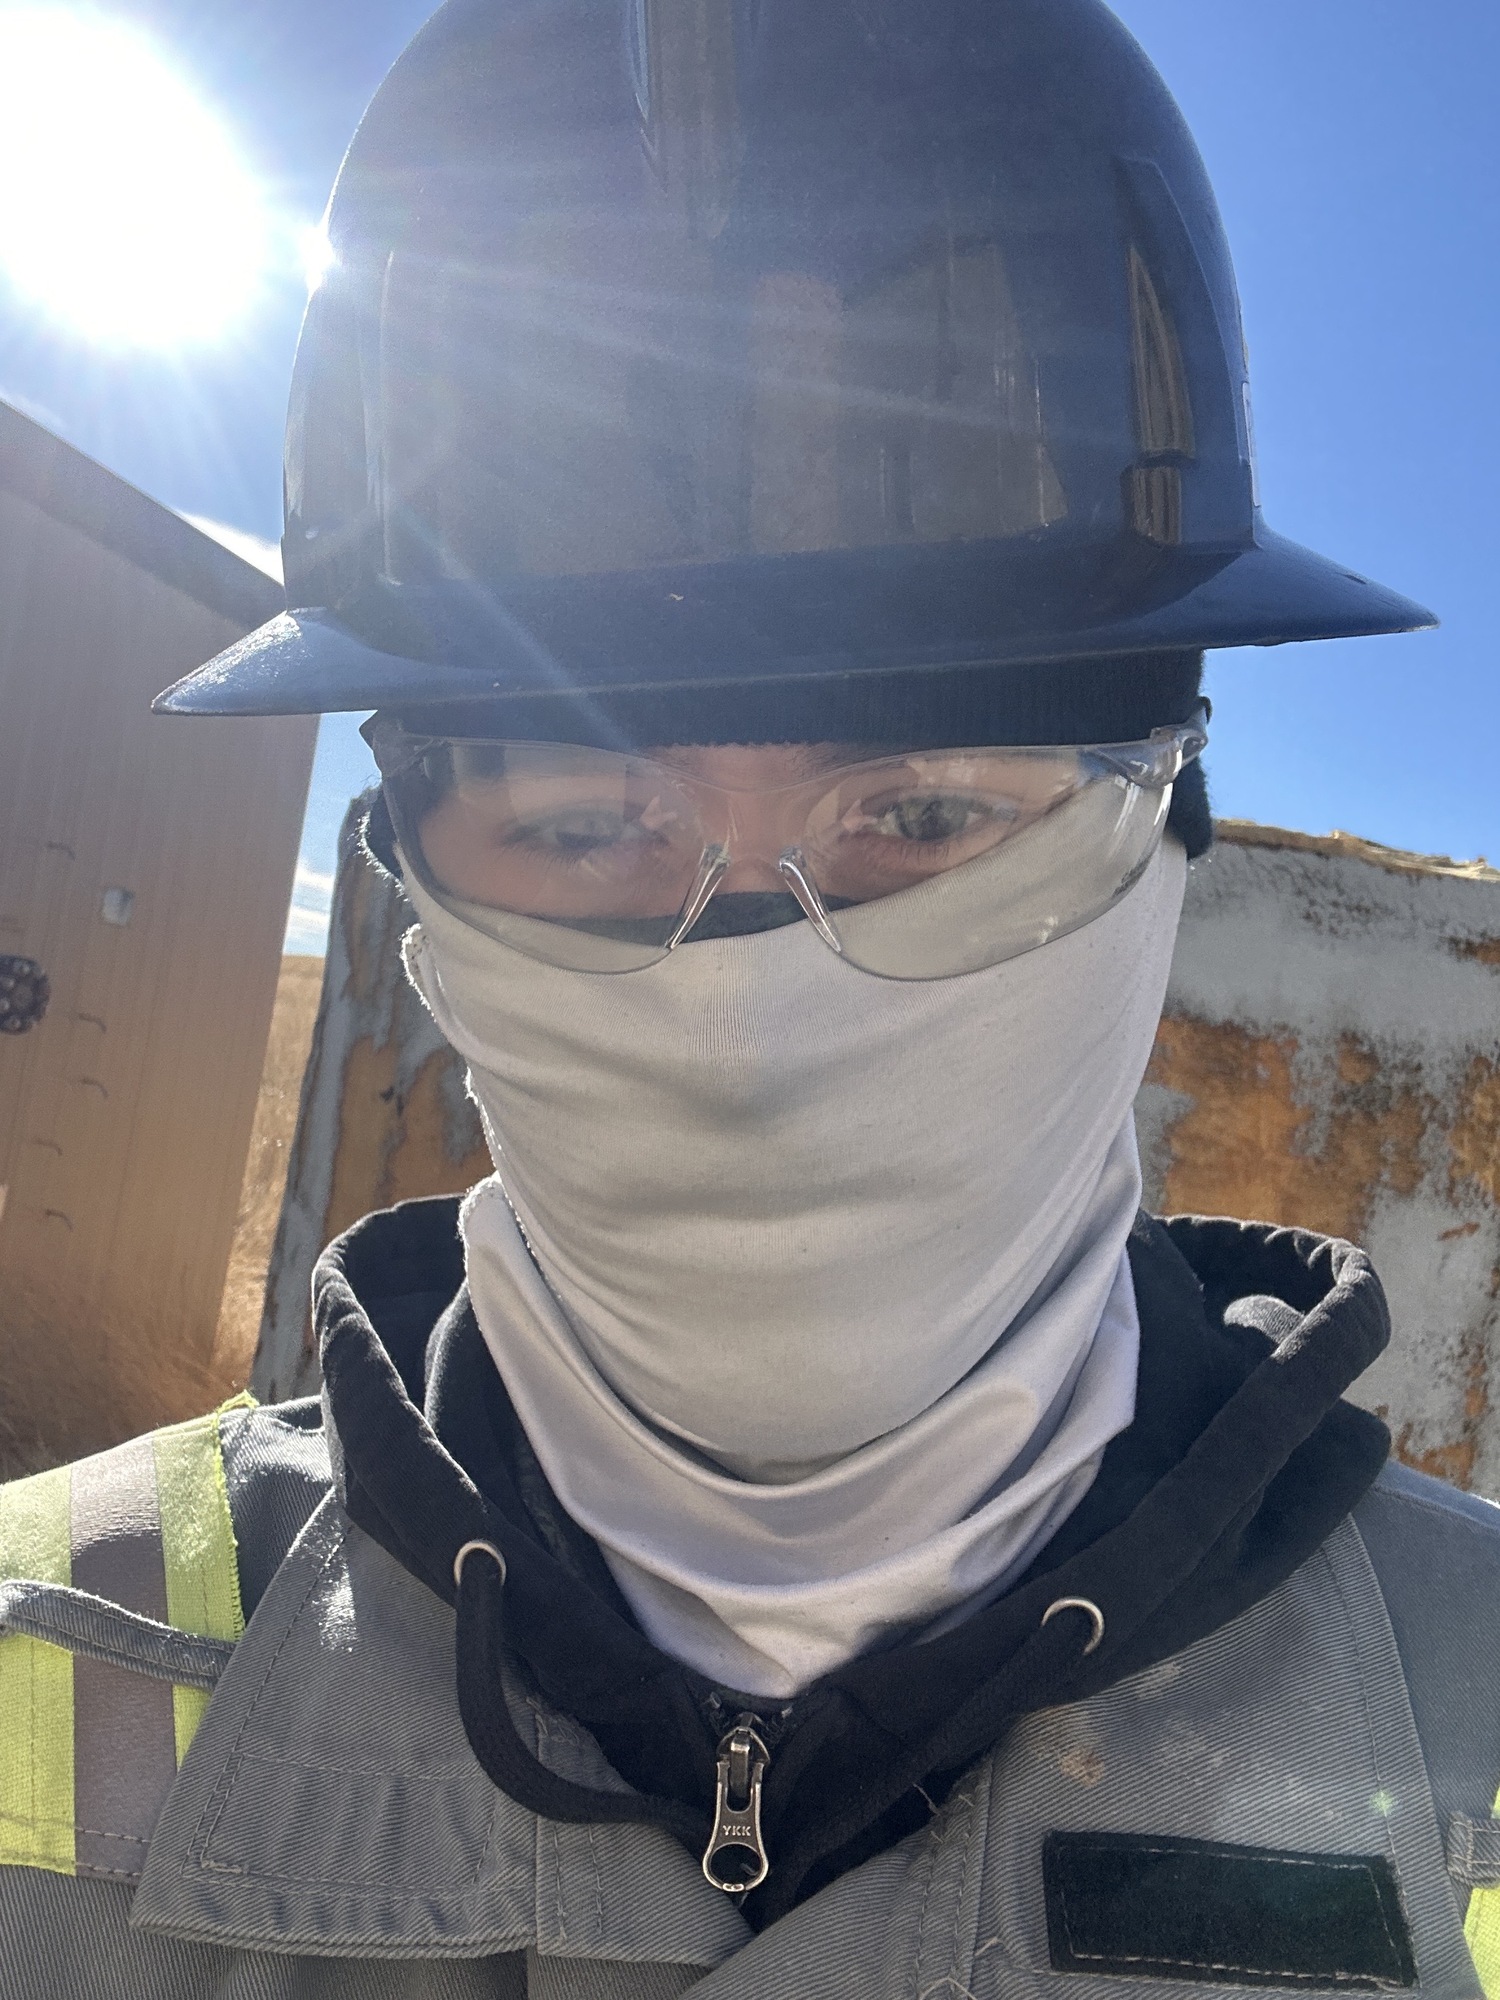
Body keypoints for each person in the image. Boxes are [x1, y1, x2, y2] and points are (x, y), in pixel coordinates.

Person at [3, 2, 1495, 1995]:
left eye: (925, 813)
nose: (751, 1005)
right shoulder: (39, 1639)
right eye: (585, 824)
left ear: (1168, 828)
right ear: (410, 881)